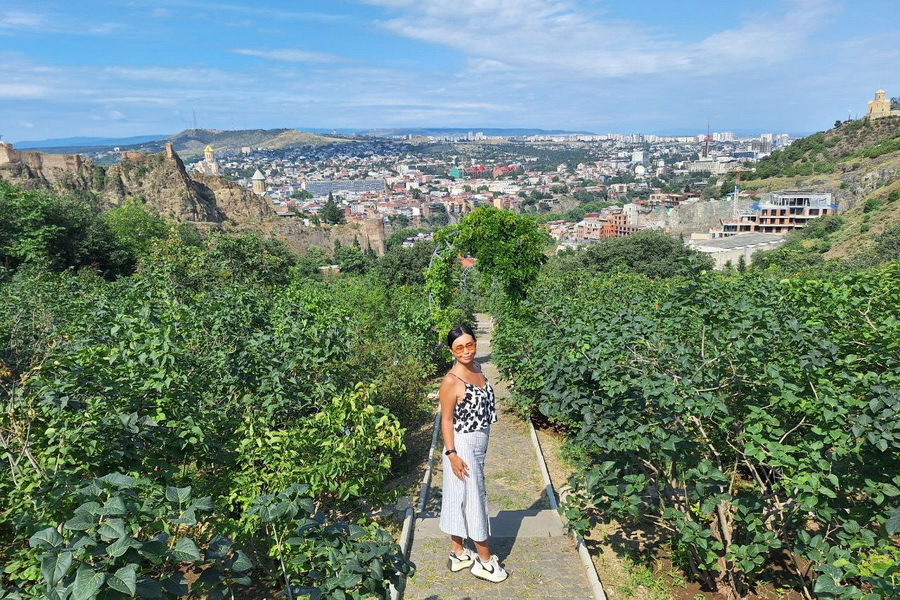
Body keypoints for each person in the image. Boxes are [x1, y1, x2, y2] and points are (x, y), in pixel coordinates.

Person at [438, 324, 507, 583]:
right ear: (451, 351)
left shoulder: (479, 369)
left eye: (470, 345)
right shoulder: (451, 381)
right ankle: (485, 561)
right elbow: (446, 420)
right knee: (475, 499)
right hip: (462, 446)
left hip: (478, 444)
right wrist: (452, 454)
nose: (466, 351)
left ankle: (458, 552)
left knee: (459, 496)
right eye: (459, 347)